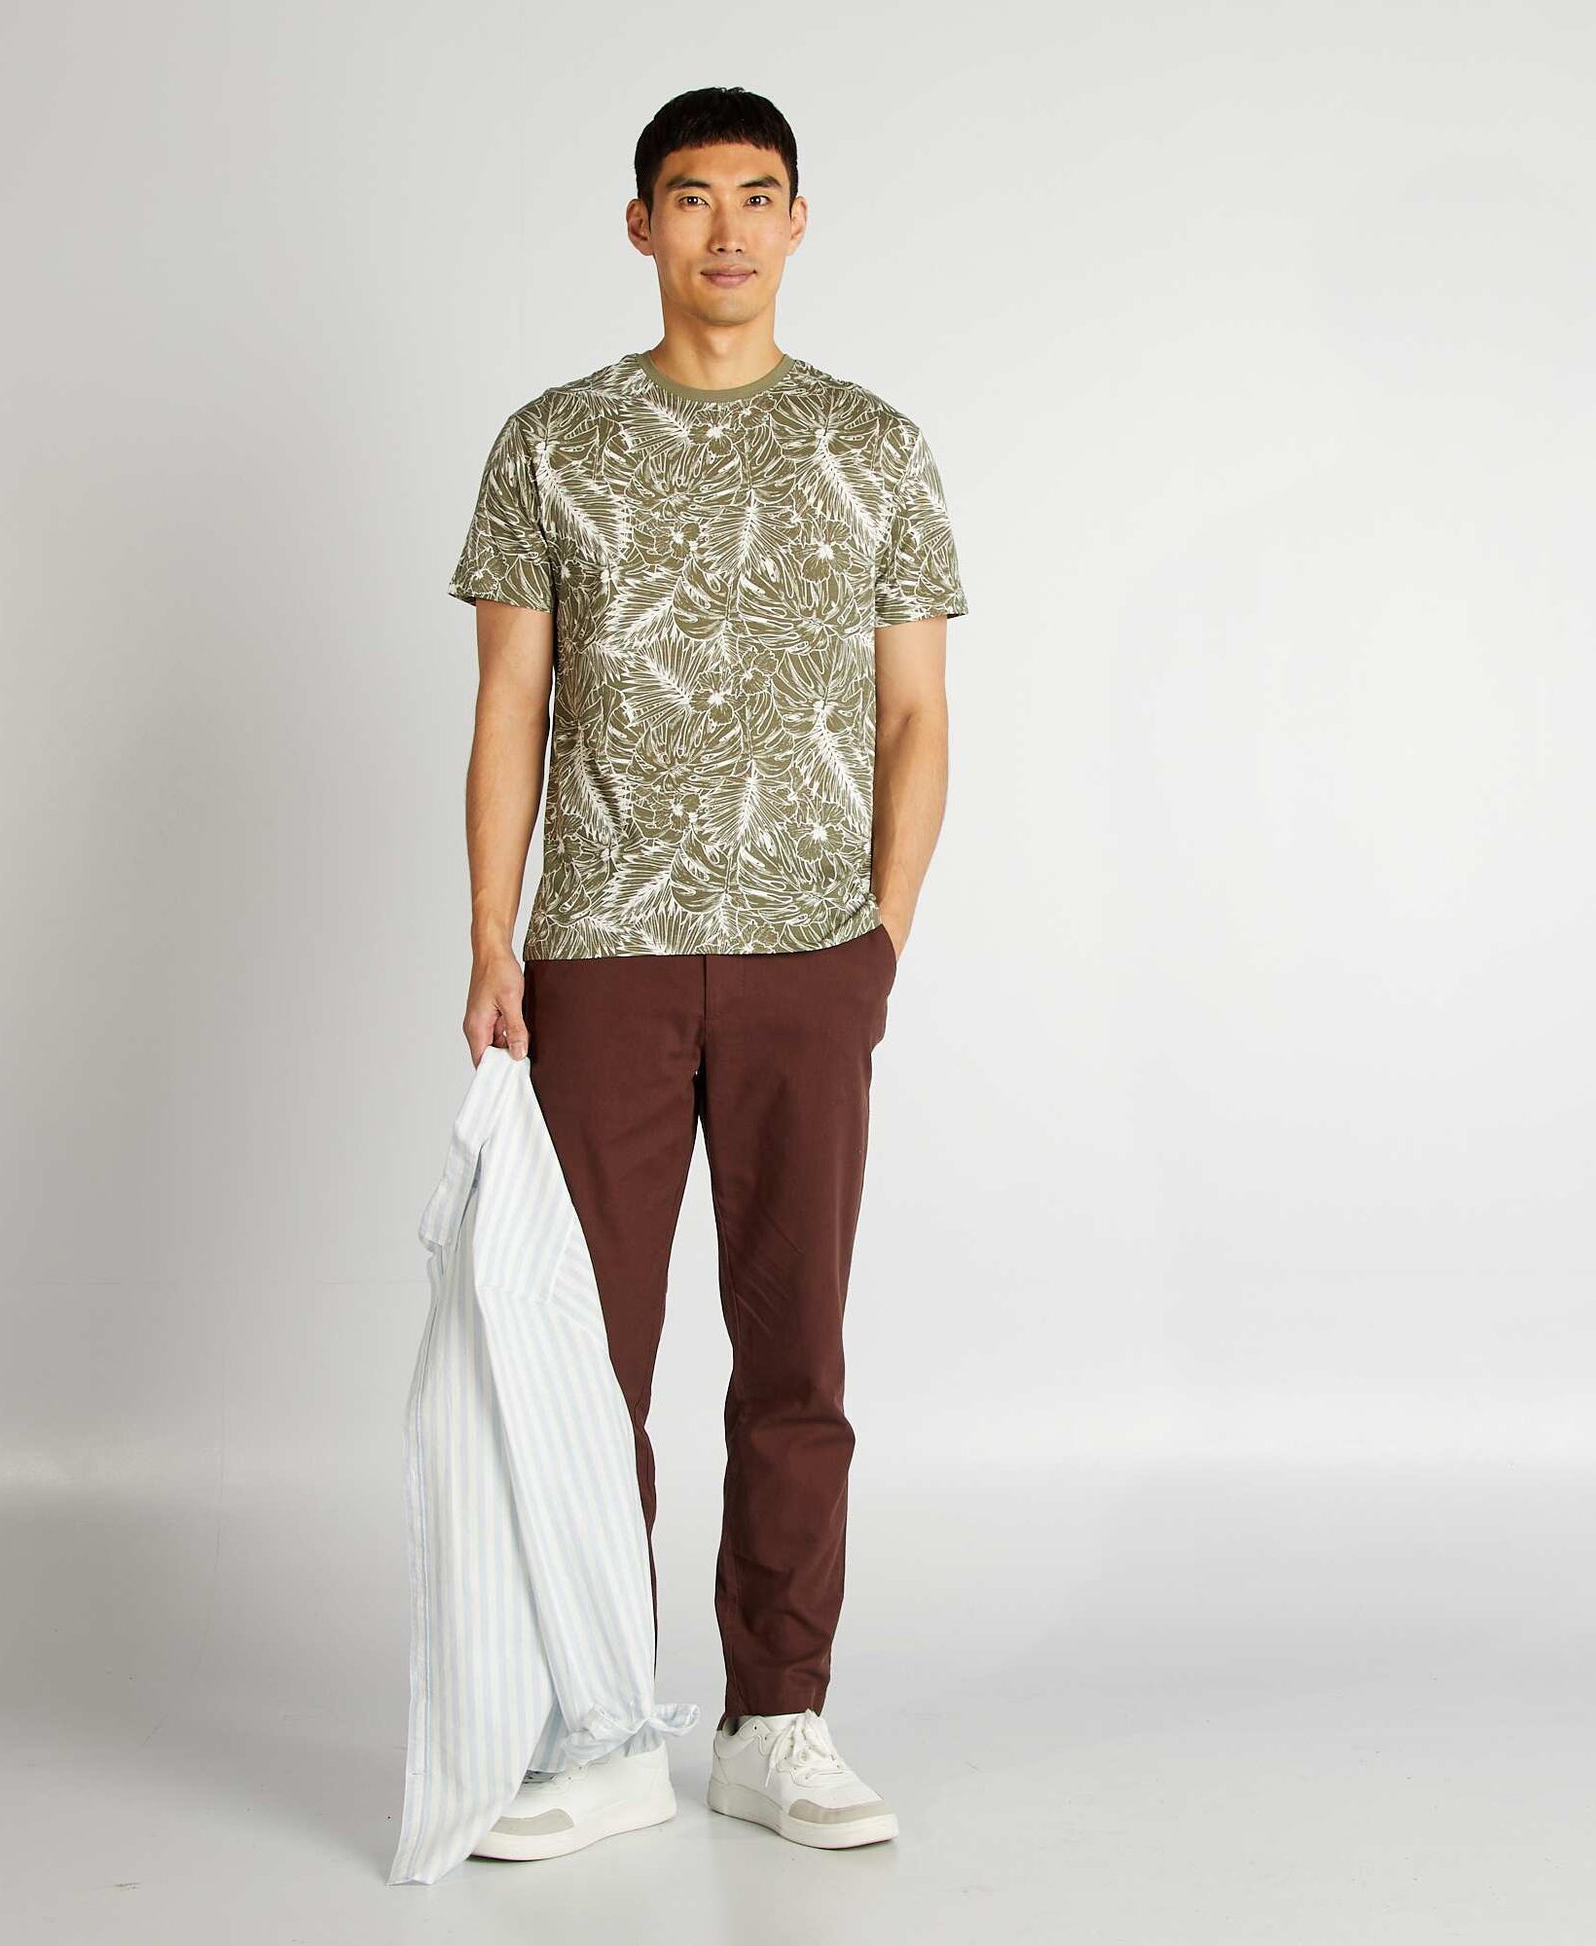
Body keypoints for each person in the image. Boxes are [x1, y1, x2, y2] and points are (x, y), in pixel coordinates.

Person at [448, 85, 967, 1860]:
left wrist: (877, 934)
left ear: (798, 223)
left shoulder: (872, 444)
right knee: (581, 1363)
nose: (726, 230)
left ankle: (775, 1719)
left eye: (758, 197)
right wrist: (490, 935)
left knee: (792, 1349)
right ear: (639, 224)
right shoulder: (551, 442)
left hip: (808, 957)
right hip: (598, 952)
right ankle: (599, 1725)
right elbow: (509, 703)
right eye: (690, 197)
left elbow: (916, 715)